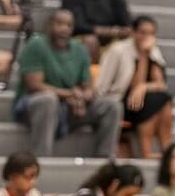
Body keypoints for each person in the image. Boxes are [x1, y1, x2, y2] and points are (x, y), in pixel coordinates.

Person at [13, 9, 121, 158]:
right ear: (50, 25)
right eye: (59, 24)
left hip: (69, 106)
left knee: (111, 105)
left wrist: (83, 97)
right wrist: (69, 94)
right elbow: (35, 86)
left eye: (69, 25)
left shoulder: (80, 49)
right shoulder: (36, 45)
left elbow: (87, 86)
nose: (64, 29)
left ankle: (104, 161)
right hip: (34, 104)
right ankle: (41, 159)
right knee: (48, 100)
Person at [95, 15, 173, 159]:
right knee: (153, 101)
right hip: (117, 101)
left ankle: (167, 150)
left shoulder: (154, 50)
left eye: (151, 33)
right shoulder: (118, 50)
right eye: (143, 32)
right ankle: (147, 153)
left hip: (140, 102)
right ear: (133, 32)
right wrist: (143, 56)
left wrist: (143, 87)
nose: (146, 37)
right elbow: (104, 87)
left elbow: (160, 85)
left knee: (163, 100)